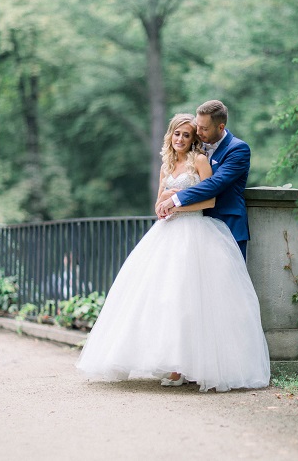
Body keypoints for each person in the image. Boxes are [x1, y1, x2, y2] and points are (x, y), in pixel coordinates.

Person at [75, 113, 270, 392]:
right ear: (170, 135)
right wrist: (162, 207)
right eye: (177, 134)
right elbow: (158, 202)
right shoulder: (166, 165)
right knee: (163, 299)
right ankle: (172, 361)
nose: (181, 139)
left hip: (195, 234)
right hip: (166, 235)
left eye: (187, 135)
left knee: (190, 300)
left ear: (193, 140)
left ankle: (186, 368)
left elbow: (210, 198)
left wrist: (175, 205)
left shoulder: (199, 161)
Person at [156, 100, 250, 260]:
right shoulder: (198, 147)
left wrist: (175, 200)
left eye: (203, 128)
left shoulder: (238, 149)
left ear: (220, 127)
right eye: (197, 126)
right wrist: (164, 199)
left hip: (227, 223)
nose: (197, 132)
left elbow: (215, 183)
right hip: (197, 228)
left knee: (227, 281)